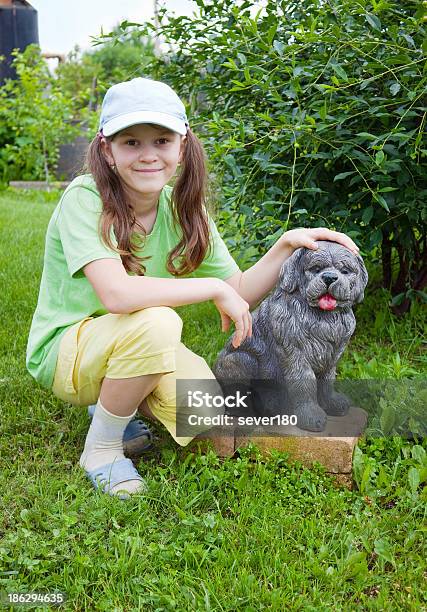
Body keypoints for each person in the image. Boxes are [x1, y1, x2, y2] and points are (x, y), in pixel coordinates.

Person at [26, 77, 360, 499]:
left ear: (182, 146)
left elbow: (238, 286)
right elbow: (117, 296)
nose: (148, 155)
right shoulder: (85, 197)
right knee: (159, 322)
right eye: (131, 142)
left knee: (204, 409)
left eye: (161, 141)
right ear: (106, 151)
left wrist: (286, 243)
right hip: (68, 350)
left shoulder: (182, 208)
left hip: (135, 340)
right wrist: (211, 289)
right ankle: (103, 447)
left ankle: (116, 400)